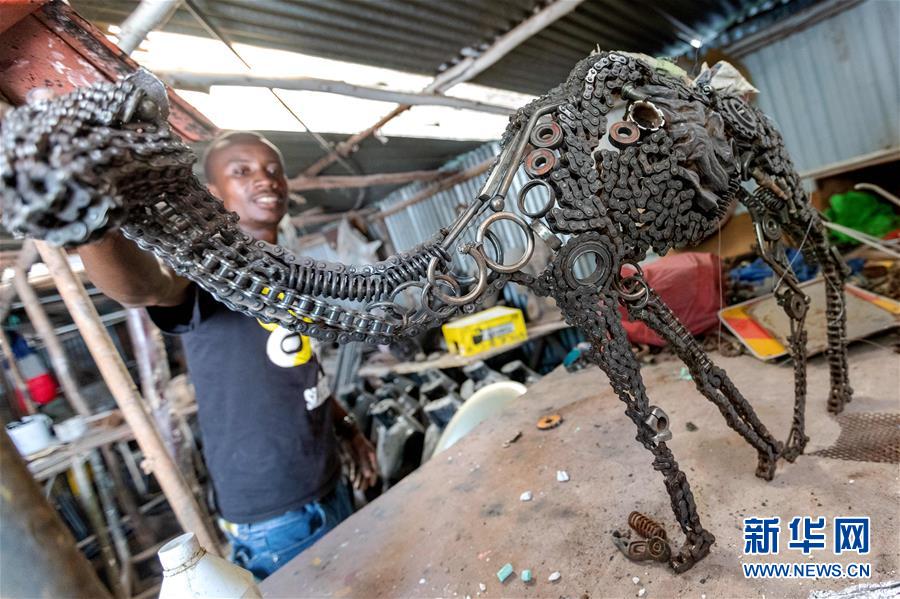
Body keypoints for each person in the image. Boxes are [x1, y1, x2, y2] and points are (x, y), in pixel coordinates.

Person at [78, 131, 378, 579]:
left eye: (273, 170)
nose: (266, 179)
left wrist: (347, 426)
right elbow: (145, 289)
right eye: (242, 171)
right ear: (212, 193)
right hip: (275, 514)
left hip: (327, 479)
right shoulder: (204, 273)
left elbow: (297, 367)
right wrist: (90, 222)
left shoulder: (285, 271)